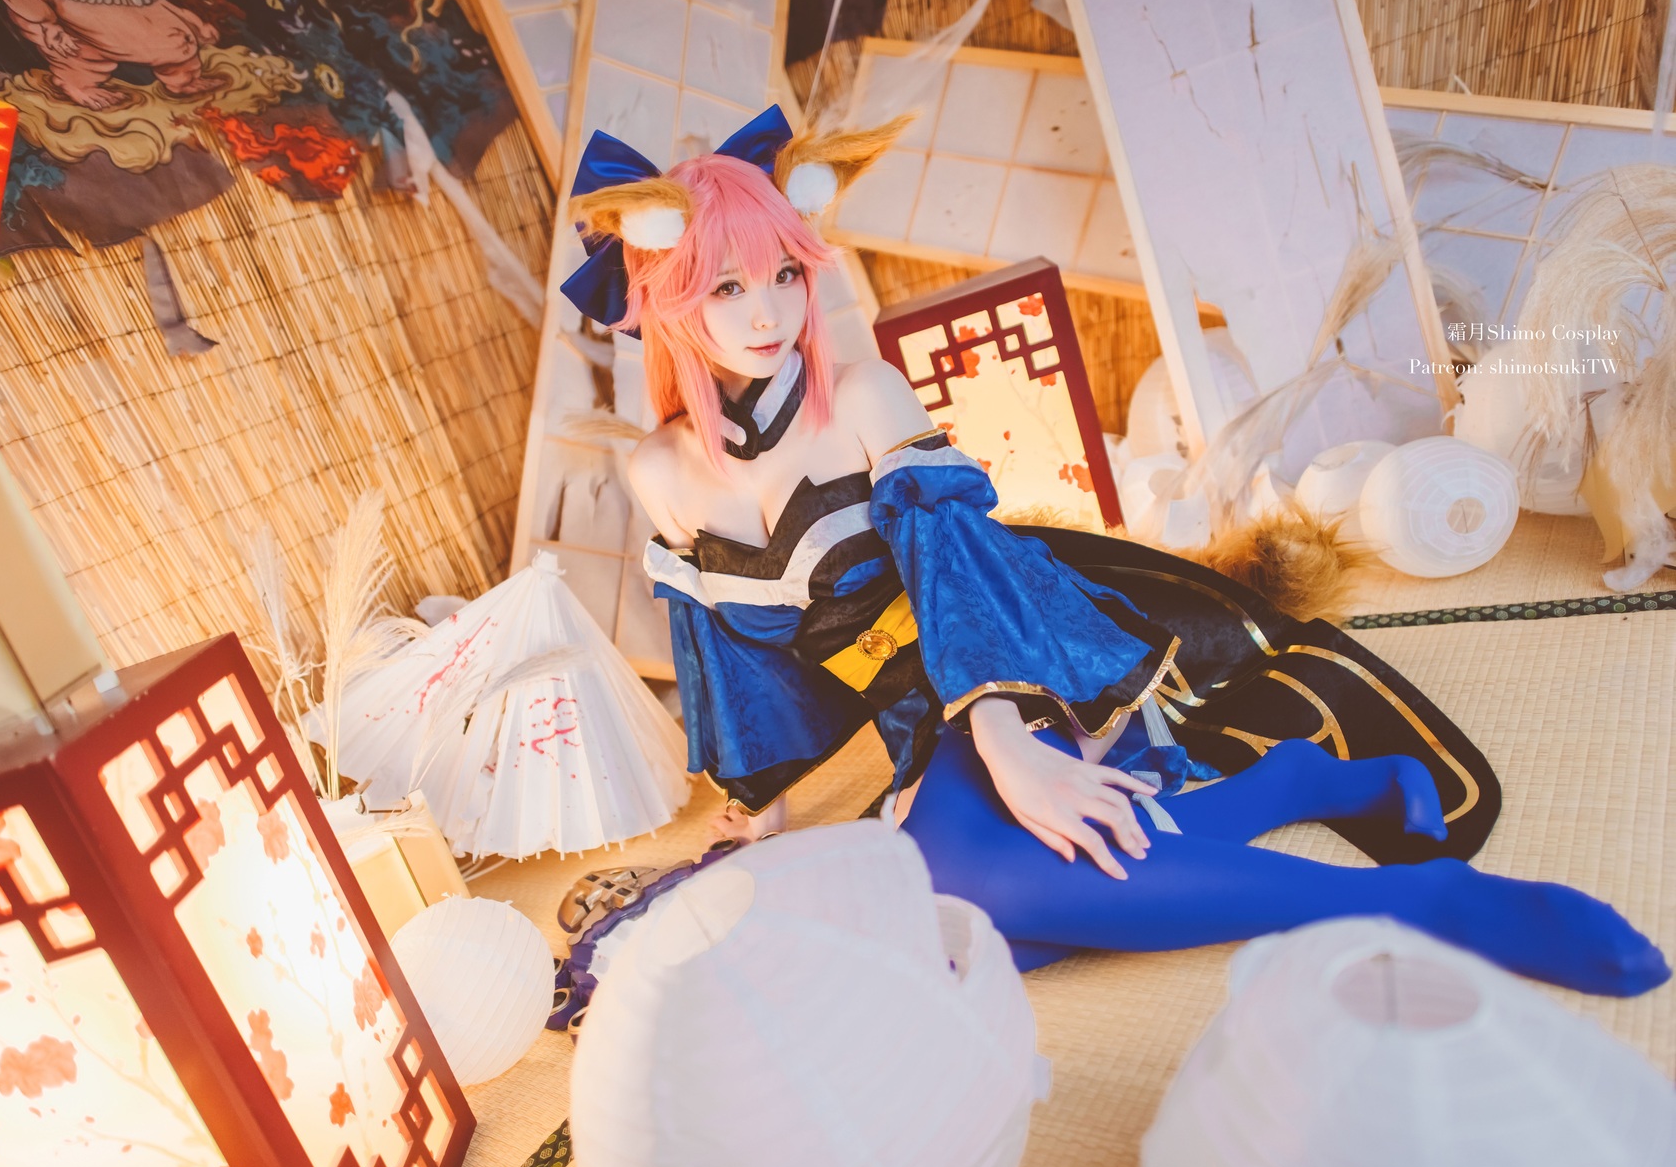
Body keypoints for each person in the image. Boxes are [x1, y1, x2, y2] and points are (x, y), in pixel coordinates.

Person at [557, 106, 1667, 998]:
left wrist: (1008, 741)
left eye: (787, 275)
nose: (767, 310)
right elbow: (735, 652)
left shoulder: (860, 396)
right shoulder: (660, 472)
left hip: (1013, 666)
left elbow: (961, 572)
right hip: (915, 728)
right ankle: (1296, 780)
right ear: (667, 298)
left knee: (976, 889)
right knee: (976, 933)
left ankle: (1420, 906)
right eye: (729, 286)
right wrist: (759, 799)